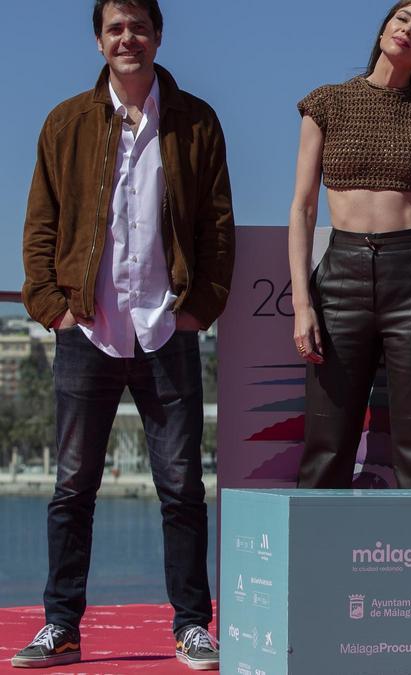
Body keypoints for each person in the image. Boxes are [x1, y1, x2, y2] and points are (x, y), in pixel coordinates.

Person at [14, 0, 234, 669]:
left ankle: (192, 624)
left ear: (158, 35)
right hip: (89, 327)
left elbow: (218, 225)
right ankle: (61, 624)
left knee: (182, 488)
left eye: (139, 26)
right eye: (115, 28)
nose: (128, 38)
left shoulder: (195, 120)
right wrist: (53, 307)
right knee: (72, 486)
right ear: (99, 40)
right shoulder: (66, 123)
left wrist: (199, 308)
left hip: (167, 327)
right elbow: (41, 224)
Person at [288, 0, 411, 490]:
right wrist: (301, 303)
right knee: (327, 439)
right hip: (341, 272)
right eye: (402, 20)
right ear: (383, 30)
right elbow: (303, 209)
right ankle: (317, 560)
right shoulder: (325, 102)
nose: (409, 31)